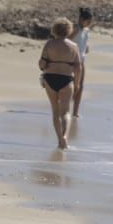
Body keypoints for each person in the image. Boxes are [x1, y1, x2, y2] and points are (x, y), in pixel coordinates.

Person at [38, 18, 81, 149]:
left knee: (55, 111)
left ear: (54, 29)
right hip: (66, 80)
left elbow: (42, 64)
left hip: (50, 78)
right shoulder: (74, 46)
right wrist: (77, 84)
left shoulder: (49, 44)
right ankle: (65, 137)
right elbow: (78, 67)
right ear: (68, 30)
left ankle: (59, 140)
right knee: (66, 112)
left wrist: (45, 65)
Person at [72, 8, 94, 120]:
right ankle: (64, 107)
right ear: (81, 19)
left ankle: (75, 111)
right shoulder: (75, 29)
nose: (89, 23)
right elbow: (66, 40)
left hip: (82, 60)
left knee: (80, 86)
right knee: (72, 85)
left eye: (90, 21)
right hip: (72, 61)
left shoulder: (86, 30)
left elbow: (83, 43)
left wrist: (86, 48)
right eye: (88, 21)